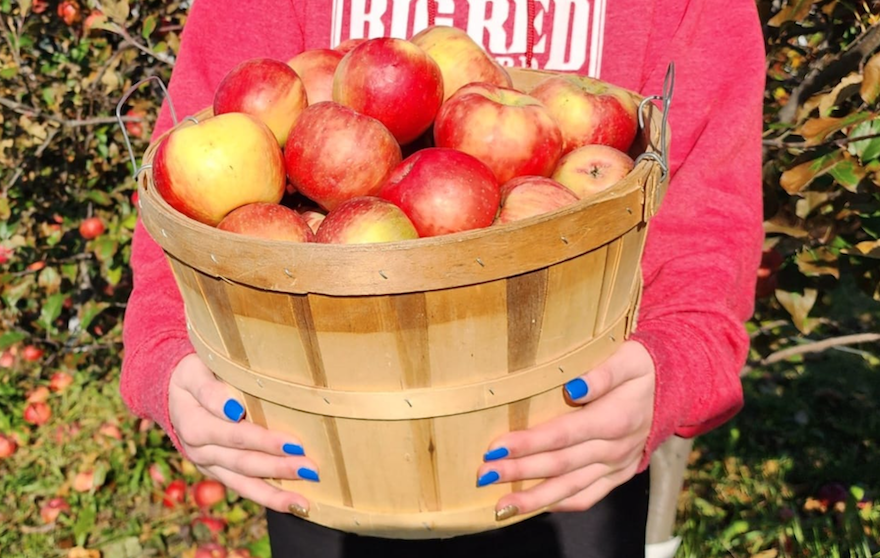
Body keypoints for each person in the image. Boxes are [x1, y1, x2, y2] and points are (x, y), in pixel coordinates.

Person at [119, 1, 765, 557]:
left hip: (573, 454)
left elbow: (706, 214)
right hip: (319, 457)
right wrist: (169, 361)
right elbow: (190, 182)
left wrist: (670, 370)